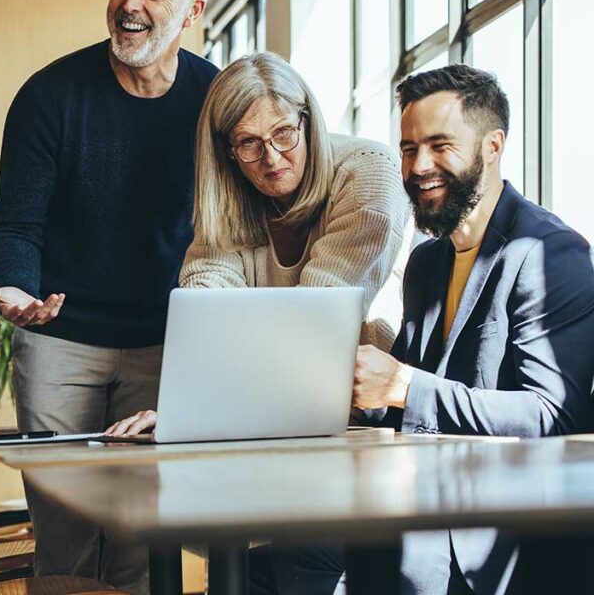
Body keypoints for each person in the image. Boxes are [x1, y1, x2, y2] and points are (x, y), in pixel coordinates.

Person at [0, 0, 218, 594]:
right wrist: (19, 291)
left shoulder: (215, 100)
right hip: (62, 342)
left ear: (191, 13)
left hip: (165, 343)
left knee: (143, 543)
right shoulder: (50, 96)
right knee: (66, 540)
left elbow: (236, 230)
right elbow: (15, 226)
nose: (129, 3)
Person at [351, 65, 594, 594]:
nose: (419, 166)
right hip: (426, 500)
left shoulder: (549, 254)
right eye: (409, 148)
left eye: (440, 145)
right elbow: (402, 399)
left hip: (503, 534)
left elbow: (553, 417)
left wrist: (403, 386)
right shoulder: (426, 262)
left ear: (492, 146)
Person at [106, 50, 411, 440]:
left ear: (307, 120)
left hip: (375, 416)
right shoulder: (231, 198)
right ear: (227, 152)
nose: (271, 158)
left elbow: (315, 324)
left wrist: (203, 410)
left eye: (284, 133)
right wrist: (185, 412)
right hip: (274, 408)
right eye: (249, 143)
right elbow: (208, 313)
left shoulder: (369, 172)